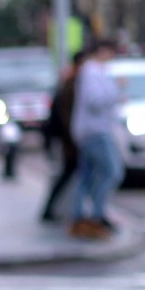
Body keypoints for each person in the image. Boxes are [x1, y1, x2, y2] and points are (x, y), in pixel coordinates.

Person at [68, 39, 124, 240]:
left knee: (88, 176)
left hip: (88, 131)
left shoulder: (90, 71)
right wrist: (116, 91)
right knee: (112, 172)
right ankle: (96, 216)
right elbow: (95, 101)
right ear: (102, 51)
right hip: (96, 131)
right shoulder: (92, 71)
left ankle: (81, 217)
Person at [39, 49, 88, 223]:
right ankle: (55, 211)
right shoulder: (72, 83)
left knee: (70, 173)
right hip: (68, 138)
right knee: (69, 173)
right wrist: (75, 138)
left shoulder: (73, 81)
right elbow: (66, 115)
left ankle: (54, 210)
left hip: (66, 137)